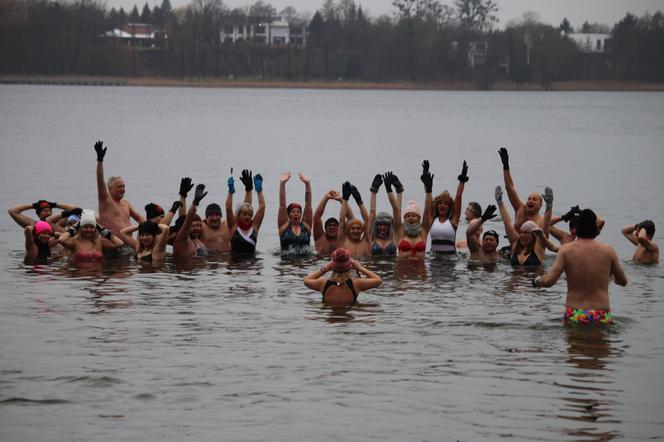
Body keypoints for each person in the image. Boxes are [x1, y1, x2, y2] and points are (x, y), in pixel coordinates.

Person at [533, 209, 628, 325]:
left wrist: (537, 281)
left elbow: (550, 281)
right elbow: (623, 281)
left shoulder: (566, 250)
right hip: (600, 314)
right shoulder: (608, 251)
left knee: (576, 342)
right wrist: (612, 278)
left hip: (575, 313)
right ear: (595, 229)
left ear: (577, 228)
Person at [93, 140, 144, 241]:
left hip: (128, 244)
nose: (123, 189)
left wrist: (153, 227)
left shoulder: (126, 203)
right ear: (110, 188)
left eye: (124, 186)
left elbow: (138, 218)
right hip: (112, 245)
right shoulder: (105, 201)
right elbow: (100, 181)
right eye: (119, 187)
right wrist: (100, 160)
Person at [496, 185, 556, 266]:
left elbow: (545, 226)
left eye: (526, 233)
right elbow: (507, 223)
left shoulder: (539, 246)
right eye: (521, 232)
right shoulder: (515, 243)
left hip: (534, 278)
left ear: (533, 235)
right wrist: (500, 203)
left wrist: (549, 206)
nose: (523, 235)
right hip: (515, 278)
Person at [303, 248, 382, 307]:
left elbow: (306, 280)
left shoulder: (323, 283)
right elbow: (378, 280)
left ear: (332, 265)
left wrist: (324, 269)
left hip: (330, 321)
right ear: (349, 265)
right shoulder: (356, 284)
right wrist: (360, 268)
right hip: (349, 317)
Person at [498, 147, 547, 230]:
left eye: (534, 199)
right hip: (515, 241)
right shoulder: (520, 208)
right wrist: (506, 166)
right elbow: (510, 188)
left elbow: (551, 217)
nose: (530, 201)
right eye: (529, 199)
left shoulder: (542, 220)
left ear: (540, 205)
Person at [58, 209, 124, 263]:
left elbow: (119, 243)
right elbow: (61, 240)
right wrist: (74, 228)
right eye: (85, 227)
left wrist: (101, 230)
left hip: (97, 278)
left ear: (95, 228)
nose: (89, 230)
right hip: (79, 277)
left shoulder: (99, 242)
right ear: (80, 228)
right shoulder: (75, 242)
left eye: (92, 227)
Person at [226, 170, 265, 258]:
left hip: (251, 266)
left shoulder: (254, 227)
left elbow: (262, 207)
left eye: (249, 214)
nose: (247, 216)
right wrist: (230, 192)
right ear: (238, 215)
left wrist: (259, 190)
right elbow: (228, 209)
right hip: (236, 266)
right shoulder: (233, 227)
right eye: (244, 214)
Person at [278, 172, 313, 255]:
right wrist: (282, 184)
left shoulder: (306, 225)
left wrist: (307, 184)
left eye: (298, 212)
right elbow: (282, 205)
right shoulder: (284, 225)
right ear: (288, 214)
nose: (296, 213)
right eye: (293, 211)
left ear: (301, 214)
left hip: (305, 265)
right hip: (287, 264)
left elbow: (308, 205)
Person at [367, 172, 402, 256]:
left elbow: (397, 210)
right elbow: (372, 211)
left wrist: (398, 190)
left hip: (392, 269)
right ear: (376, 225)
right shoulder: (371, 236)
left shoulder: (395, 236)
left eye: (385, 225)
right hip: (374, 268)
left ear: (390, 225)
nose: (382, 227)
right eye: (380, 225)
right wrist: (374, 191)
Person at [172, 184, 208, 258]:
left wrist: (183, 196)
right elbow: (186, 220)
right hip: (186, 268)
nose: (197, 228)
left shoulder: (197, 238)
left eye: (199, 225)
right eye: (193, 226)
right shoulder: (182, 239)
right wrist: (195, 203)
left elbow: (183, 217)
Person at [338, 181, 372, 257]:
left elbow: (367, 220)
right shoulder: (343, 241)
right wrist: (345, 200)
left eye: (358, 228)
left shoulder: (366, 241)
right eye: (353, 228)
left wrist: (359, 201)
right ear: (348, 230)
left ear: (362, 230)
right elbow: (342, 220)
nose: (355, 231)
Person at [312, 189, 347, 256]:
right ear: (325, 229)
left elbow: (349, 218)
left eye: (334, 225)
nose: (332, 227)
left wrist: (342, 200)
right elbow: (316, 217)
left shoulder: (343, 238)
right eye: (330, 225)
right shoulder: (320, 238)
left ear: (339, 228)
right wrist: (326, 197)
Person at [9, 200, 77, 232]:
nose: (48, 213)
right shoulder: (33, 224)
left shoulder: (58, 223)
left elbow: (76, 210)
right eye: (45, 211)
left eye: (50, 211)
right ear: (39, 214)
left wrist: (55, 205)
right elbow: (12, 211)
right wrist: (33, 206)